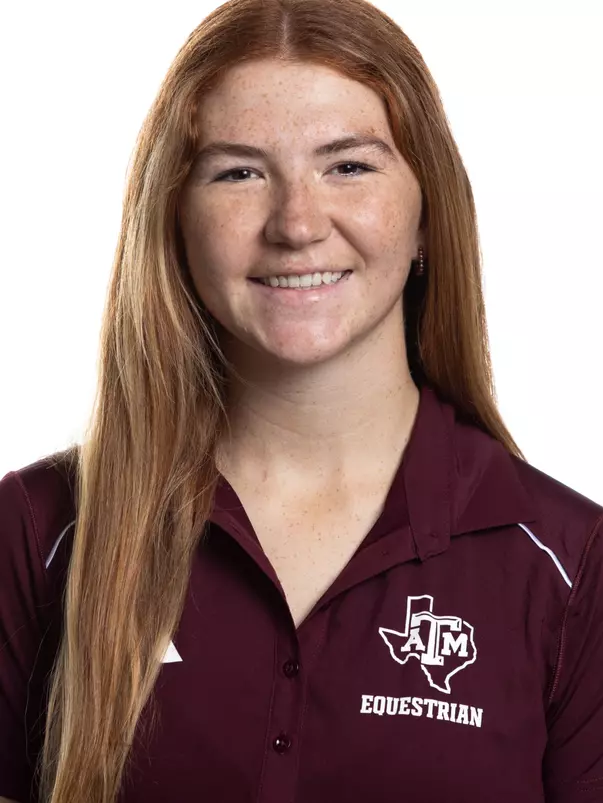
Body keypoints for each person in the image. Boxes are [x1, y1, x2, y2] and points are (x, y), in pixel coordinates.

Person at [1, 0, 602, 801]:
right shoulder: (38, 531)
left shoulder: (571, 565)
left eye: (347, 166)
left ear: (427, 217)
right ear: (174, 220)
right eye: (238, 172)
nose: (295, 223)